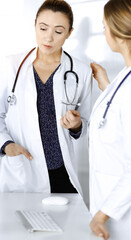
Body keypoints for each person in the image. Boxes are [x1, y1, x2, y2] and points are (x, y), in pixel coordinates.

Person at [0, 0, 91, 194]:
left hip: (61, 171)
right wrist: (5, 145)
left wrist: (76, 125)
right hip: (23, 170)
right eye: (43, 28)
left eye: (58, 31)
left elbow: (86, 124)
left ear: (69, 33)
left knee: (69, 223)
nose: (48, 38)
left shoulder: (80, 71)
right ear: (35, 25)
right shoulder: (12, 66)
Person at [89, 0, 131, 239]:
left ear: (119, 33)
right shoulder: (124, 75)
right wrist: (106, 85)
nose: (104, 32)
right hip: (110, 207)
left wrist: (102, 215)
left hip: (121, 215)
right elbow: (120, 116)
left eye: (104, 26)